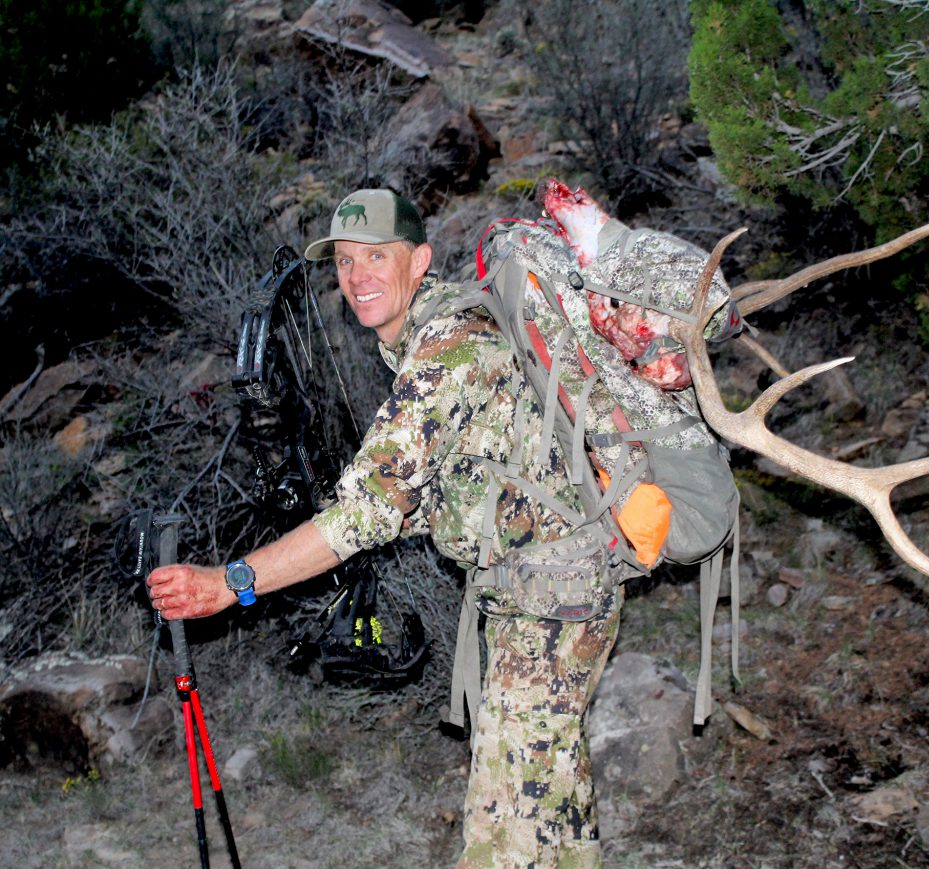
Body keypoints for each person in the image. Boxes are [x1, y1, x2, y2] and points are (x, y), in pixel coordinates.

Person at [147, 188, 622, 867]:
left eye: (377, 255)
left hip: (552, 598)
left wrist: (235, 581)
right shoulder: (426, 338)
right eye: (343, 261)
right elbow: (445, 487)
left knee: (504, 833)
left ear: (420, 260)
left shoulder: (449, 345)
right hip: (542, 591)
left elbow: (368, 508)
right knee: (551, 807)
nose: (358, 276)